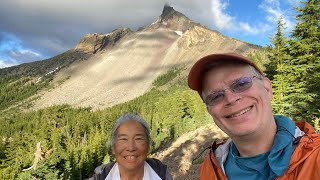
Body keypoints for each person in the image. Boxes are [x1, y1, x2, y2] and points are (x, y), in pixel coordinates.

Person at [187, 53, 320, 180]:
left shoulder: (316, 158)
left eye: (241, 84)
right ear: (210, 111)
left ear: (267, 88)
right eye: (215, 96)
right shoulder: (209, 169)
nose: (231, 99)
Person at [92, 113, 173, 180]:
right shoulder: (101, 177)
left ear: (148, 146)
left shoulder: (162, 175)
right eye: (123, 139)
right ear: (113, 147)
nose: (131, 148)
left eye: (138, 139)